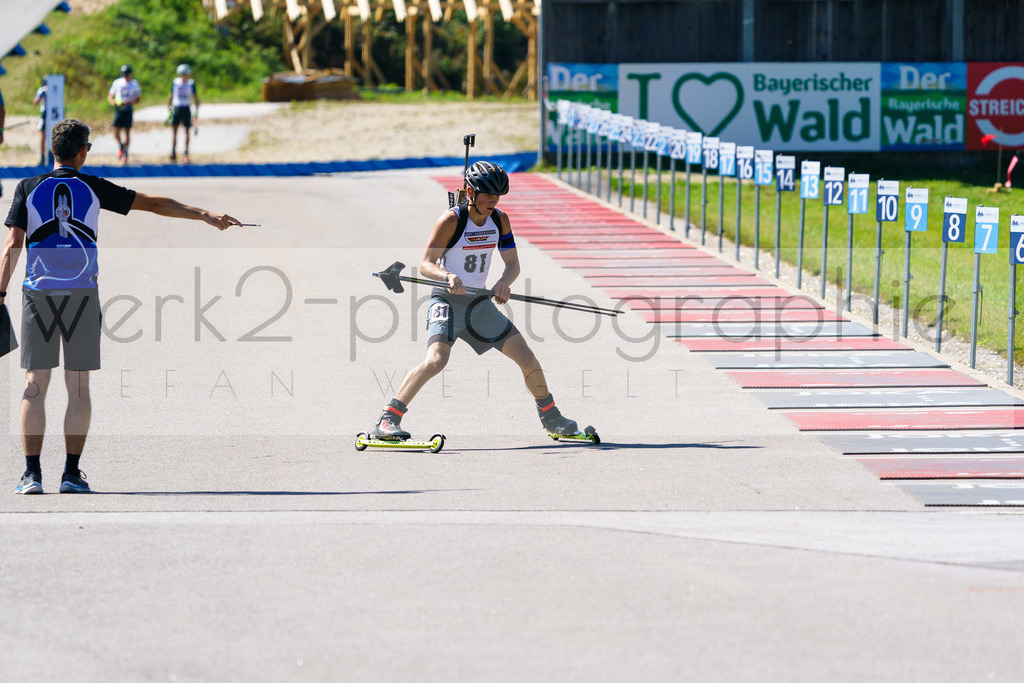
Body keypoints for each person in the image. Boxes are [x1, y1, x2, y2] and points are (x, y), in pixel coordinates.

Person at [0, 119, 243, 495]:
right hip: (81, 293)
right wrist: (204, 214)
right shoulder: (93, 188)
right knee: (77, 384)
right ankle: (70, 474)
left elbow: (12, 245)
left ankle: (31, 475)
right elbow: (154, 204)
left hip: (38, 294)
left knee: (35, 383)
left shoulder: (27, 188)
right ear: (83, 152)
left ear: (53, 150)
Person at [369, 161, 582, 441]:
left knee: (527, 357)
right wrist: (447, 276)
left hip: (479, 304)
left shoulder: (499, 219)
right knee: (436, 360)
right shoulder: (451, 220)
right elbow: (425, 264)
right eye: (487, 195)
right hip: (446, 300)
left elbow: (513, 264)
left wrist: (504, 282)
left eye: (497, 197)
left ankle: (552, 418)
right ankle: (386, 421)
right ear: (470, 192)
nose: (493, 201)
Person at [107, 64, 141, 164]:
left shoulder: (134, 84)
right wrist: (112, 102)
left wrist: (130, 102)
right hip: (119, 109)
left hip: (128, 108)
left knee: (127, 131)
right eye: (124, 74)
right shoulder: (117, 82)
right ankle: (121, 146)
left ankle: (125, 153)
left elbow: (138, 99)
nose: (125, 76)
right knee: (116, 132)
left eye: (127, 74)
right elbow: (110, 96)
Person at [167, 63, 199, 163]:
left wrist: (196, 111)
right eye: (182, 74)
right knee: (174, 131)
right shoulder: (175, 82)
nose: (184, 76)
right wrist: (169, 107)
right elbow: (171, 95)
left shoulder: (191, 84)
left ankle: (186, 153)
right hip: (177, 107)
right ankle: (173, 151)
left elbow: (195, 97)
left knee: (187, 131)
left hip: (186, 108)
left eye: (185, 74)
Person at [33, 81, 46, 166]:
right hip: (45, 114)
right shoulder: (42, 90)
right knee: (42, 136)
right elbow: (36, 102)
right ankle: (42, 157)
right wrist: (41, 94)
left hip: (53, 115)